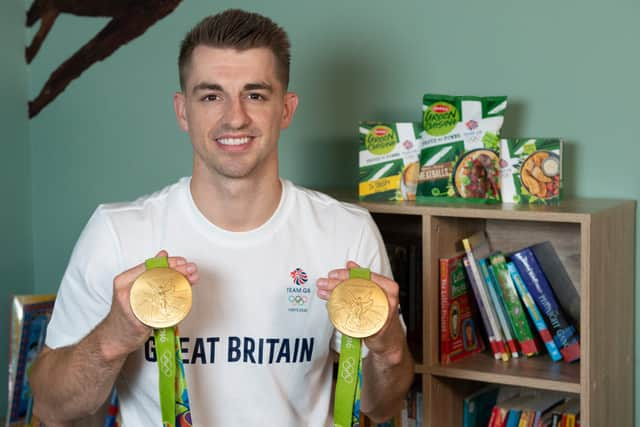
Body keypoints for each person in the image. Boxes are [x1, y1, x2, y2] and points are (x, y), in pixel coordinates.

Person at [30, 9, 414, 426]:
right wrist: (112, 337)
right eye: (211, 96)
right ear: (183, 111)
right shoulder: (118, 233)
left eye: (255, 94)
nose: (234, 117)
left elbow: (383, 406)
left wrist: (389, 346)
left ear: (286, 110)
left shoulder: (347, 233)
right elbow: (52, 407)